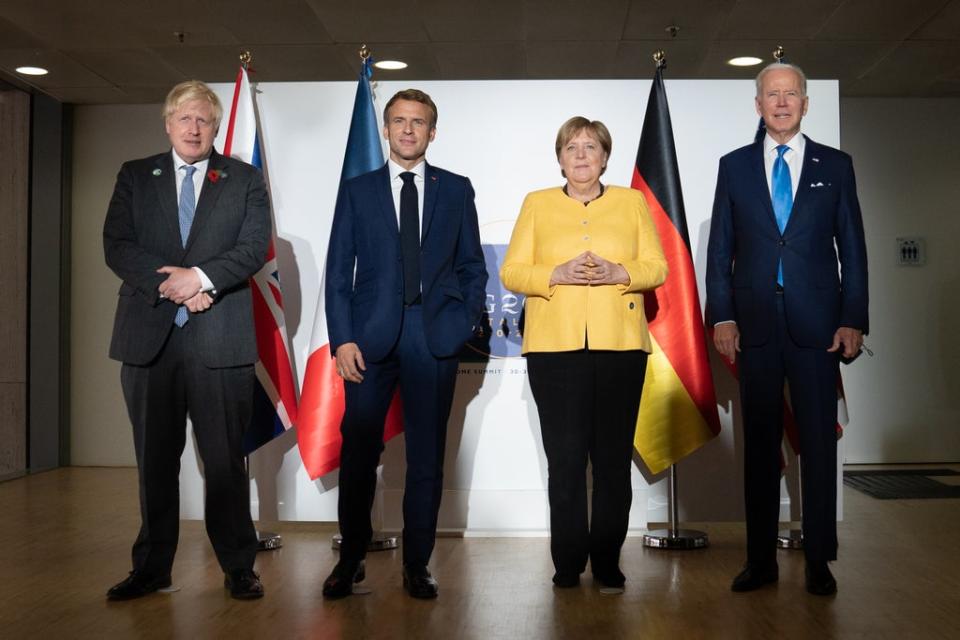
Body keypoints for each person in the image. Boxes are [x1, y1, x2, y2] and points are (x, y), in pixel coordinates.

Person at [102, 80, 271, 601]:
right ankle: (152, 568)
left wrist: (199, 279)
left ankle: (238, 567)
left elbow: (253, 247)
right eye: (184, 118)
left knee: (223, 462)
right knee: (154, 462)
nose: (193, 128)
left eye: (203, 119)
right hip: (150, 341)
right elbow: (117, 245)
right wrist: (171, 285)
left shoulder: (243, 179)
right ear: (168, 123)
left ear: (216, 126)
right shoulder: (136, 175)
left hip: (221, 340)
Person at [706, 62, 868, 596]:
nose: (781, 103)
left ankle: (820, 561)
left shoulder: (835, 165)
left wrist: (853, 318)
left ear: (805, 102)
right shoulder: (733, 167)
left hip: (818, 325)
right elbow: (720, 251)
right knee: (758, 448)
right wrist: (722, 315)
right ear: (757, 105)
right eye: (771, 95)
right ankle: (760, 562)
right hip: (753, 325)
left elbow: (853, 249)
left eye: (790, 94)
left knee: (818, 446)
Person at [321, 89, 487, 600]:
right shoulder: (358, 189)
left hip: (432, 337)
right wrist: (342, 338)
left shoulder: (456, 189)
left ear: (432, 132)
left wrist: (458, 325)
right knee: (358, 453)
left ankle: (418, 564)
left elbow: (472, 267)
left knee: (426, 458)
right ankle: (351, 560)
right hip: (368, 341)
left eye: (418, 122)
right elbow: (337, 272)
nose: (408, 130)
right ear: (387, 130)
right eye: (399, 121)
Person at [500, 117, 668, 591]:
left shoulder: (632, 202)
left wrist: (620, 271)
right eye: (571, 147)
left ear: (604, 157)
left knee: (613, 461)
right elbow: (513, 271)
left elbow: (658, 266)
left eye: (590, 147)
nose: (580, 155)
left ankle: (609, 560)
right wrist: (556, 273)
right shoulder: (537, 203)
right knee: (567, 460)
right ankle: (568, 562)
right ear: (559, 157)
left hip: (620, 348)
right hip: (555, 350)